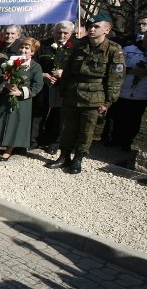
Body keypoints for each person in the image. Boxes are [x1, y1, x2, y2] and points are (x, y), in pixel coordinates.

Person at [47, 14, 124, 174]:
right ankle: (64, 156)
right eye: (90, 26)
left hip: (95, 96)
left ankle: (78, 158)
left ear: (107, 30)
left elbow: (116, 79)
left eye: (96, 26)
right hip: (72, 92)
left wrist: (108, 101)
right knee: (67, 127)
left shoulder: (113, 50)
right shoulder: (79, 46)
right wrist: (63, 92)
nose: (92, 29)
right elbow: (67, 72)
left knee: (86, 130)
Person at [102, 24, 147, 151]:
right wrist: (130, 70)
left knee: (133, 118)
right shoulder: (129, 48)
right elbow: (117, 65)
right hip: (124, 88)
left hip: (143, 92)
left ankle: (126, 142)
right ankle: (113, 139)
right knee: (117, 116)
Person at [0, 38, 44, 160]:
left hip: (22, 101)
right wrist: (5, 85)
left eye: (27, 48)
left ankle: (8, 150)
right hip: (5, 97)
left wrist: (21, 92)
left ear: (32, 52)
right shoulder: (9, 62)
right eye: (21, 47)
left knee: (16, 124)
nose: (23, 50)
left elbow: (38, 85)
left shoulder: (35, 66)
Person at [36, 20, 78, 152]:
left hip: (64, 87)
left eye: (65, 33)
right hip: (44, 84)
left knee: (58, 115)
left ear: (71, 33)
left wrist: (64, 73)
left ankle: (54, 142)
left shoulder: (77, 46)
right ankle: (34, 140)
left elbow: (79, 68)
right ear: (53, 32)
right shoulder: (43, 45)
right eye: (59, 32)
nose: (62, 35)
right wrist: (43, 75)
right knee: (39, 113)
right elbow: (34, 64)